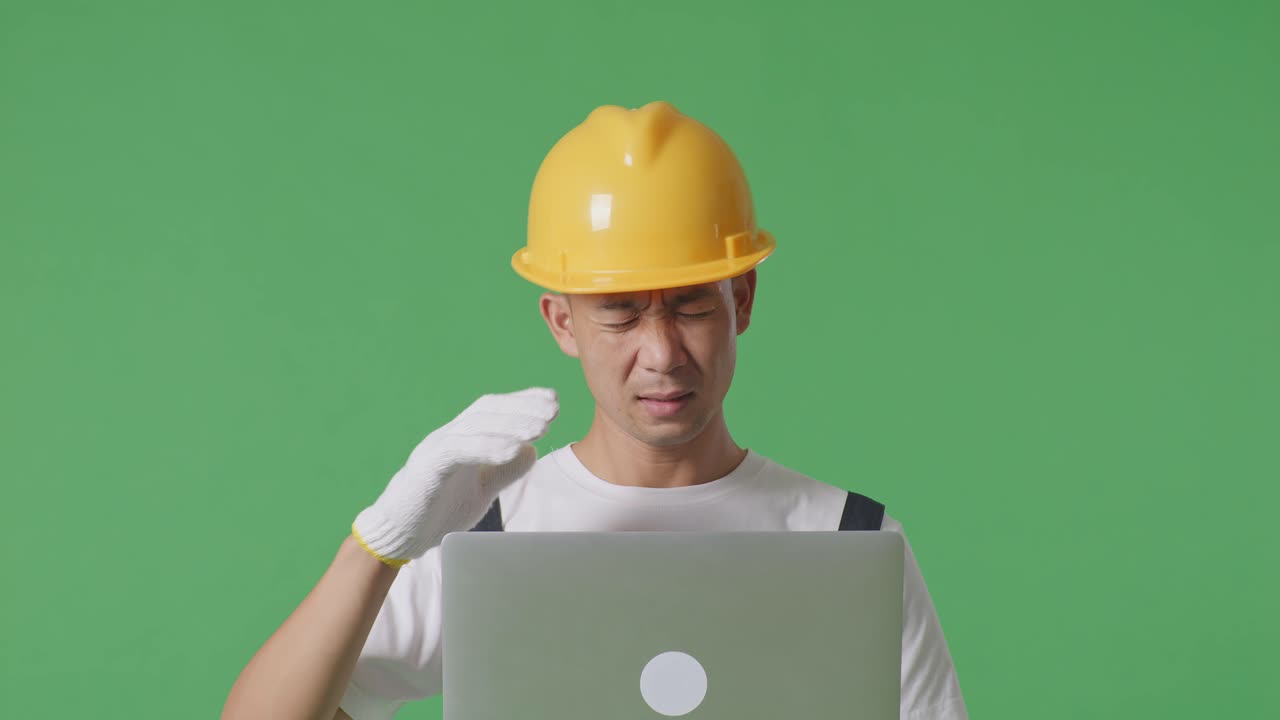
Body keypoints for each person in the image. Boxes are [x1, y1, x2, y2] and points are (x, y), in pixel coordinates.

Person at [222, 101, 968, 720]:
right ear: (561, 323)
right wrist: (378, 545)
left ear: (740, 300)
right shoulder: (488, 534)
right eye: (619, 314)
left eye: (689, 306)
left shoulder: (852, 546)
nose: (662, 353)